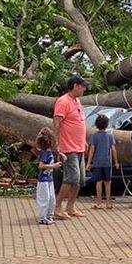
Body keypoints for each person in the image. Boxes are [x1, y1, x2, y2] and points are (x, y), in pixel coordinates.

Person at [52, 75, 88, 220]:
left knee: (80, 179)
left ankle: (71, 207)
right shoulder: (63, 101)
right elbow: (56, 123)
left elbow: (80, 123)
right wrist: (57, 143)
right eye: (82, 86)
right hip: (68, 147)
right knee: (71, 178)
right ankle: (58, 206)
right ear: (75, 86)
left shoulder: (77, 101)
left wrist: (84, 140)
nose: (84, 89)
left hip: (79, 146)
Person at [87, 113, 116, 209]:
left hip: (97, 163)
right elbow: (113, 149)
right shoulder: (110, 136)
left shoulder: (94, 136)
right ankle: (108, 202)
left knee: (98, 182)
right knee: (108, 182)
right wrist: (116, 162)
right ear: (107, 125)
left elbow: (92, 149)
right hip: (107, 162)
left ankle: (99, 202)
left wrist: (89, 162)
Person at [34, 128, 59, 225]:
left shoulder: (50, 152)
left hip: (49, 179)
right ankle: (42, 217)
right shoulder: (44, 153)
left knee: (52, 197)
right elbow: (41, 165)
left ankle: (49, 215)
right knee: (45, 197)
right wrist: (53, 166)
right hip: (43, 179)